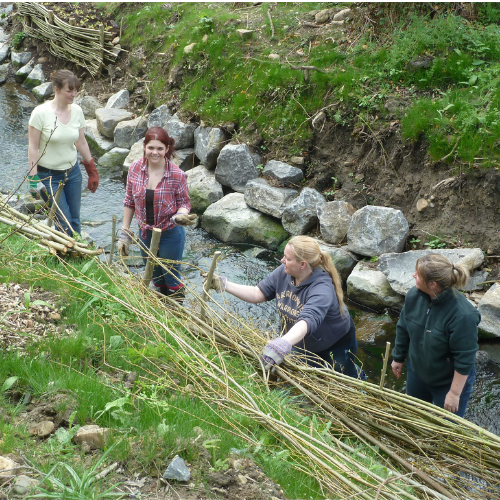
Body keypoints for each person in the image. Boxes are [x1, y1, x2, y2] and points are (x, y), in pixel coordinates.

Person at [206, 235, 365, 378]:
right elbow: (257, 293)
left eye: (287, 258)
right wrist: (224, 284)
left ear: (302, 264)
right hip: (301, 340)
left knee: (344, 376)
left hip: (335, 340)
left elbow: (308, 320)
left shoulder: (322, 287)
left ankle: (361, 387)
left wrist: (284, 342)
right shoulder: (284, 271)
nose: (282, 260)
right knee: (308, 376)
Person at [391, 253, 480, 418]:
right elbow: (403, 327)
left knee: (445, 428)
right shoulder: (413, 296)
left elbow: (464, 360)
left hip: (447, 383)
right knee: (414, 417)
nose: (413, 275)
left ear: (432, 284)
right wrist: (398, 357)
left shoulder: (463, 316)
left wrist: (454, 394)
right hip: (417, 373)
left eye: (418, 274)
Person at [118, 127, 196, 301]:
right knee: (155, 276)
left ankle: (177, 314)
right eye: (151, 148)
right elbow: (129, 201)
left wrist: (181, 216)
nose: (155, 152)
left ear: (167, 149)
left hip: (170, 233)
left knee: (171, 277)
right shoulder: (135, 169)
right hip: (145, 233)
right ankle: (161, 311)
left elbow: (184, 203)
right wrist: (125, 232)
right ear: (144, 147)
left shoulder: (177, 175)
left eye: (160, 148)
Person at [28, 69, 99, 236]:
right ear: (56, 89)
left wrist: (92, 170)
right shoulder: (40, 114)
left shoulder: (77, 111)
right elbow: (33, 147)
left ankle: (75, 255)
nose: (74, 94)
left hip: (72, 173)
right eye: (69, 90)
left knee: (75, 219)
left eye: (76, 90)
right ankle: (64, 256)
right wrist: (33, 179)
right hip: (49, 177)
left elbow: (81, 141)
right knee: (63, 222)